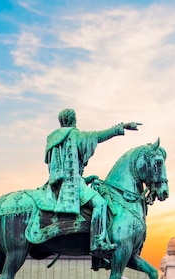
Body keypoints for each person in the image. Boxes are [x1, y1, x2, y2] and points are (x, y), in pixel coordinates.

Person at [44, 109, 141, 258]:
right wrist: (123, 126)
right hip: (72, 184)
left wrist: (86, 179)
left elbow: (62, 168)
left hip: (57, 184)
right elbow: (99, 135)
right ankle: (98, 241)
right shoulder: (75, 135)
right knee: (100, 203)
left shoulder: (52, 140)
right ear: (73, 120)